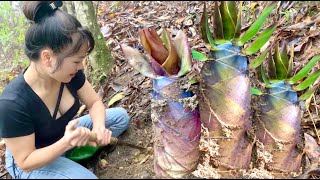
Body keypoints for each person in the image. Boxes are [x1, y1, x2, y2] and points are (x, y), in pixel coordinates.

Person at [0, 1, 130, 179]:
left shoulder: (69, 74)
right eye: (77, 61)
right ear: (47, 57)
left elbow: (94, 102)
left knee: (120, 118)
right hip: (33, 162)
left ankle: (68, 162)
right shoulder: (12, 103)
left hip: (64, 140)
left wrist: (99, 128)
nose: (82, 66)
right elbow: (25, 161)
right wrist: (66, 143)